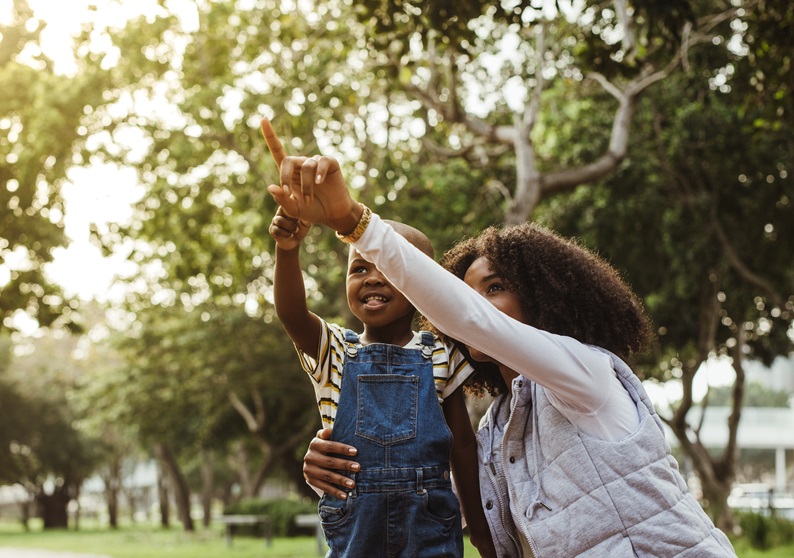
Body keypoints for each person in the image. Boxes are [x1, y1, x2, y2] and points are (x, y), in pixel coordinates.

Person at [266, 151, 738, 557]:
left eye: (495, 288)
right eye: (468, 293)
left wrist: (353, 220)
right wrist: (327, 466)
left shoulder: (586, 374)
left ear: (541, 295)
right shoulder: (498, 427)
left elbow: (469, 320)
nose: (476, 306)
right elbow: (435, 492)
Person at [262, 119, 495, 557]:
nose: (373, 279)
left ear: (420, 286)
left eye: (389, 269)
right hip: (355, 527)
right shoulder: (336, 350)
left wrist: (479, 528)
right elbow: (291, 313)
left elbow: (461, 443)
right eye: (360, 268)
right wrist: (287, 250)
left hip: (429, 523)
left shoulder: (441, 352)